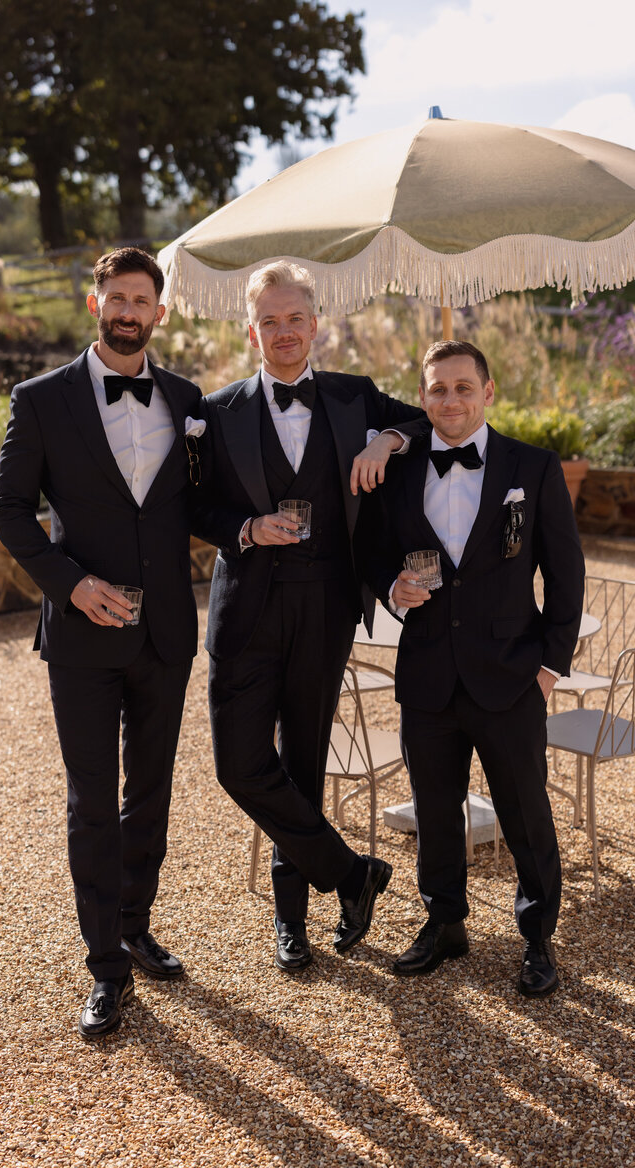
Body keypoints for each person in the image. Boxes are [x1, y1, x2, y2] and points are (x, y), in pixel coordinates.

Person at [0, 247, 204, 1039]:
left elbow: (202, 502)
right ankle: (106, 968)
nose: (127, 311)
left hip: (166, 635)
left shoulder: (186, 399)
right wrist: (71, 584)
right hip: (82, 637)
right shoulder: (41, 400)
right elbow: (9, 509)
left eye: (140, 300)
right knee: (92, 804)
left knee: (150, 793)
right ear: (95, 305)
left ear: (159, 312)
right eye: (115, 297)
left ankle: (135, 924)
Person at [193, 260, 424, 973]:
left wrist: (388, 440)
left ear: (316, 325)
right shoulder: (218, 409)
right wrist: (244, 528)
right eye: (270, 320)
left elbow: (418, 418)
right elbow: (192, 502)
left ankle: (290, 919)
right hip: (246, 612)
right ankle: (352, 873)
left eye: (296, 318)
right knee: (239, 764)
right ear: (251, 329)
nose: (284, 331)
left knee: (303, 762)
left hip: (326, 608)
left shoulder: (354, 398)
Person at [367, 339, 584, 997]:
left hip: (511, 676)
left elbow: (566, 574)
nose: (451, 401)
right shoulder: (396, 472)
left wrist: (550, 667)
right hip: (428, 674)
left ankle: (538, 937)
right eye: (438, 390)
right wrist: (389, 588)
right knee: (435, 811)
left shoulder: (534, 466)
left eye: (464, 388)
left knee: (525, 813)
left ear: (488, 392)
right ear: (423, 396)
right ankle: (445, 924)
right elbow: (370, 550)